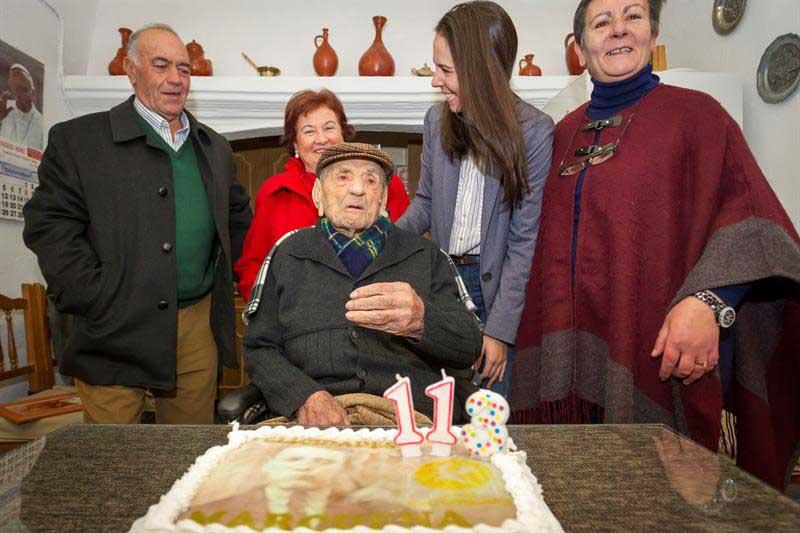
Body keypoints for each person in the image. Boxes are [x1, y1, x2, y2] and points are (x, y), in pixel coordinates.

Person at [511, 0, 800, 491]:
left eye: (633, 17)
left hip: (656, 354)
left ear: (654, 33)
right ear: (580, 49)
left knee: (659, 501)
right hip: (561, 370)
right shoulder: (559, 134)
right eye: (602, 23)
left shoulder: (698, 117)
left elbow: (752, 220)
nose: (619, 30)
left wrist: (714, 301)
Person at [23, 23, 252, 424]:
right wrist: (95, 296)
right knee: (114, 466)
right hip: (111, 327)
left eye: (184, 68)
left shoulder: (215, 147)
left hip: (195, 327)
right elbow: (50, 225)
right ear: (131, 70)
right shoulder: (79, 141)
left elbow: (238, 219)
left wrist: (237, 279)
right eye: (161, 65)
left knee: (190, 458)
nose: (176, 79)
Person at [242, 142, 482, 426]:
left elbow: (468, 346)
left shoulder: (427, 256)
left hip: (408, 423)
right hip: (312, 420)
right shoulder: (288, 254)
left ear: (382, 202)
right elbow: (260, 348)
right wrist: (304, 396)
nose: (357, 189)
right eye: (343, 177)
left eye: (370, 180)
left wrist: (421, 320)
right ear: (318, 195)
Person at [397, 1, 554, 397]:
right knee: (441, 411)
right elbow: (426, 202)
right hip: (443, 288)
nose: (435, 81)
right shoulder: (437, 122)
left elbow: (523, 241)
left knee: (487, 421)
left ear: (482, 73)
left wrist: (499, 331)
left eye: (446, 70)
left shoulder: (534, 132)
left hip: (494, 293)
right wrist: (382, 239)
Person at [234, 89, 410, 301]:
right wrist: (268, 313)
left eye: (329, 127)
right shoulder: (275, 192)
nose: (321, 139)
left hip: (373, 309)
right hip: (295, 315)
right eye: (309, 131)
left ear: (343, 134)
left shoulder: (383, 185)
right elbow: (253, 265)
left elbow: (406, 250)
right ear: (295, 143)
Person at [0, 63, 43, 149]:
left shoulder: (42, 122)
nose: (21, 94)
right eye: (17, 89)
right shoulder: (3, 109)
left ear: (33, 93)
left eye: (24, 89)